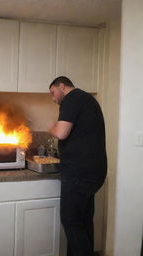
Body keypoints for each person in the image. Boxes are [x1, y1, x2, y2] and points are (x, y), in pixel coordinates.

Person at [49, 76, 107, 256]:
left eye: (53, 93)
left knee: (71, 221)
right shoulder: (87, 99)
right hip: (94, 172)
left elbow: (61, 132)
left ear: (62, 86)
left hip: (79, 174)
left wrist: (51, 127)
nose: (53, 98)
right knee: (83, 221)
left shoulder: (72, 98)